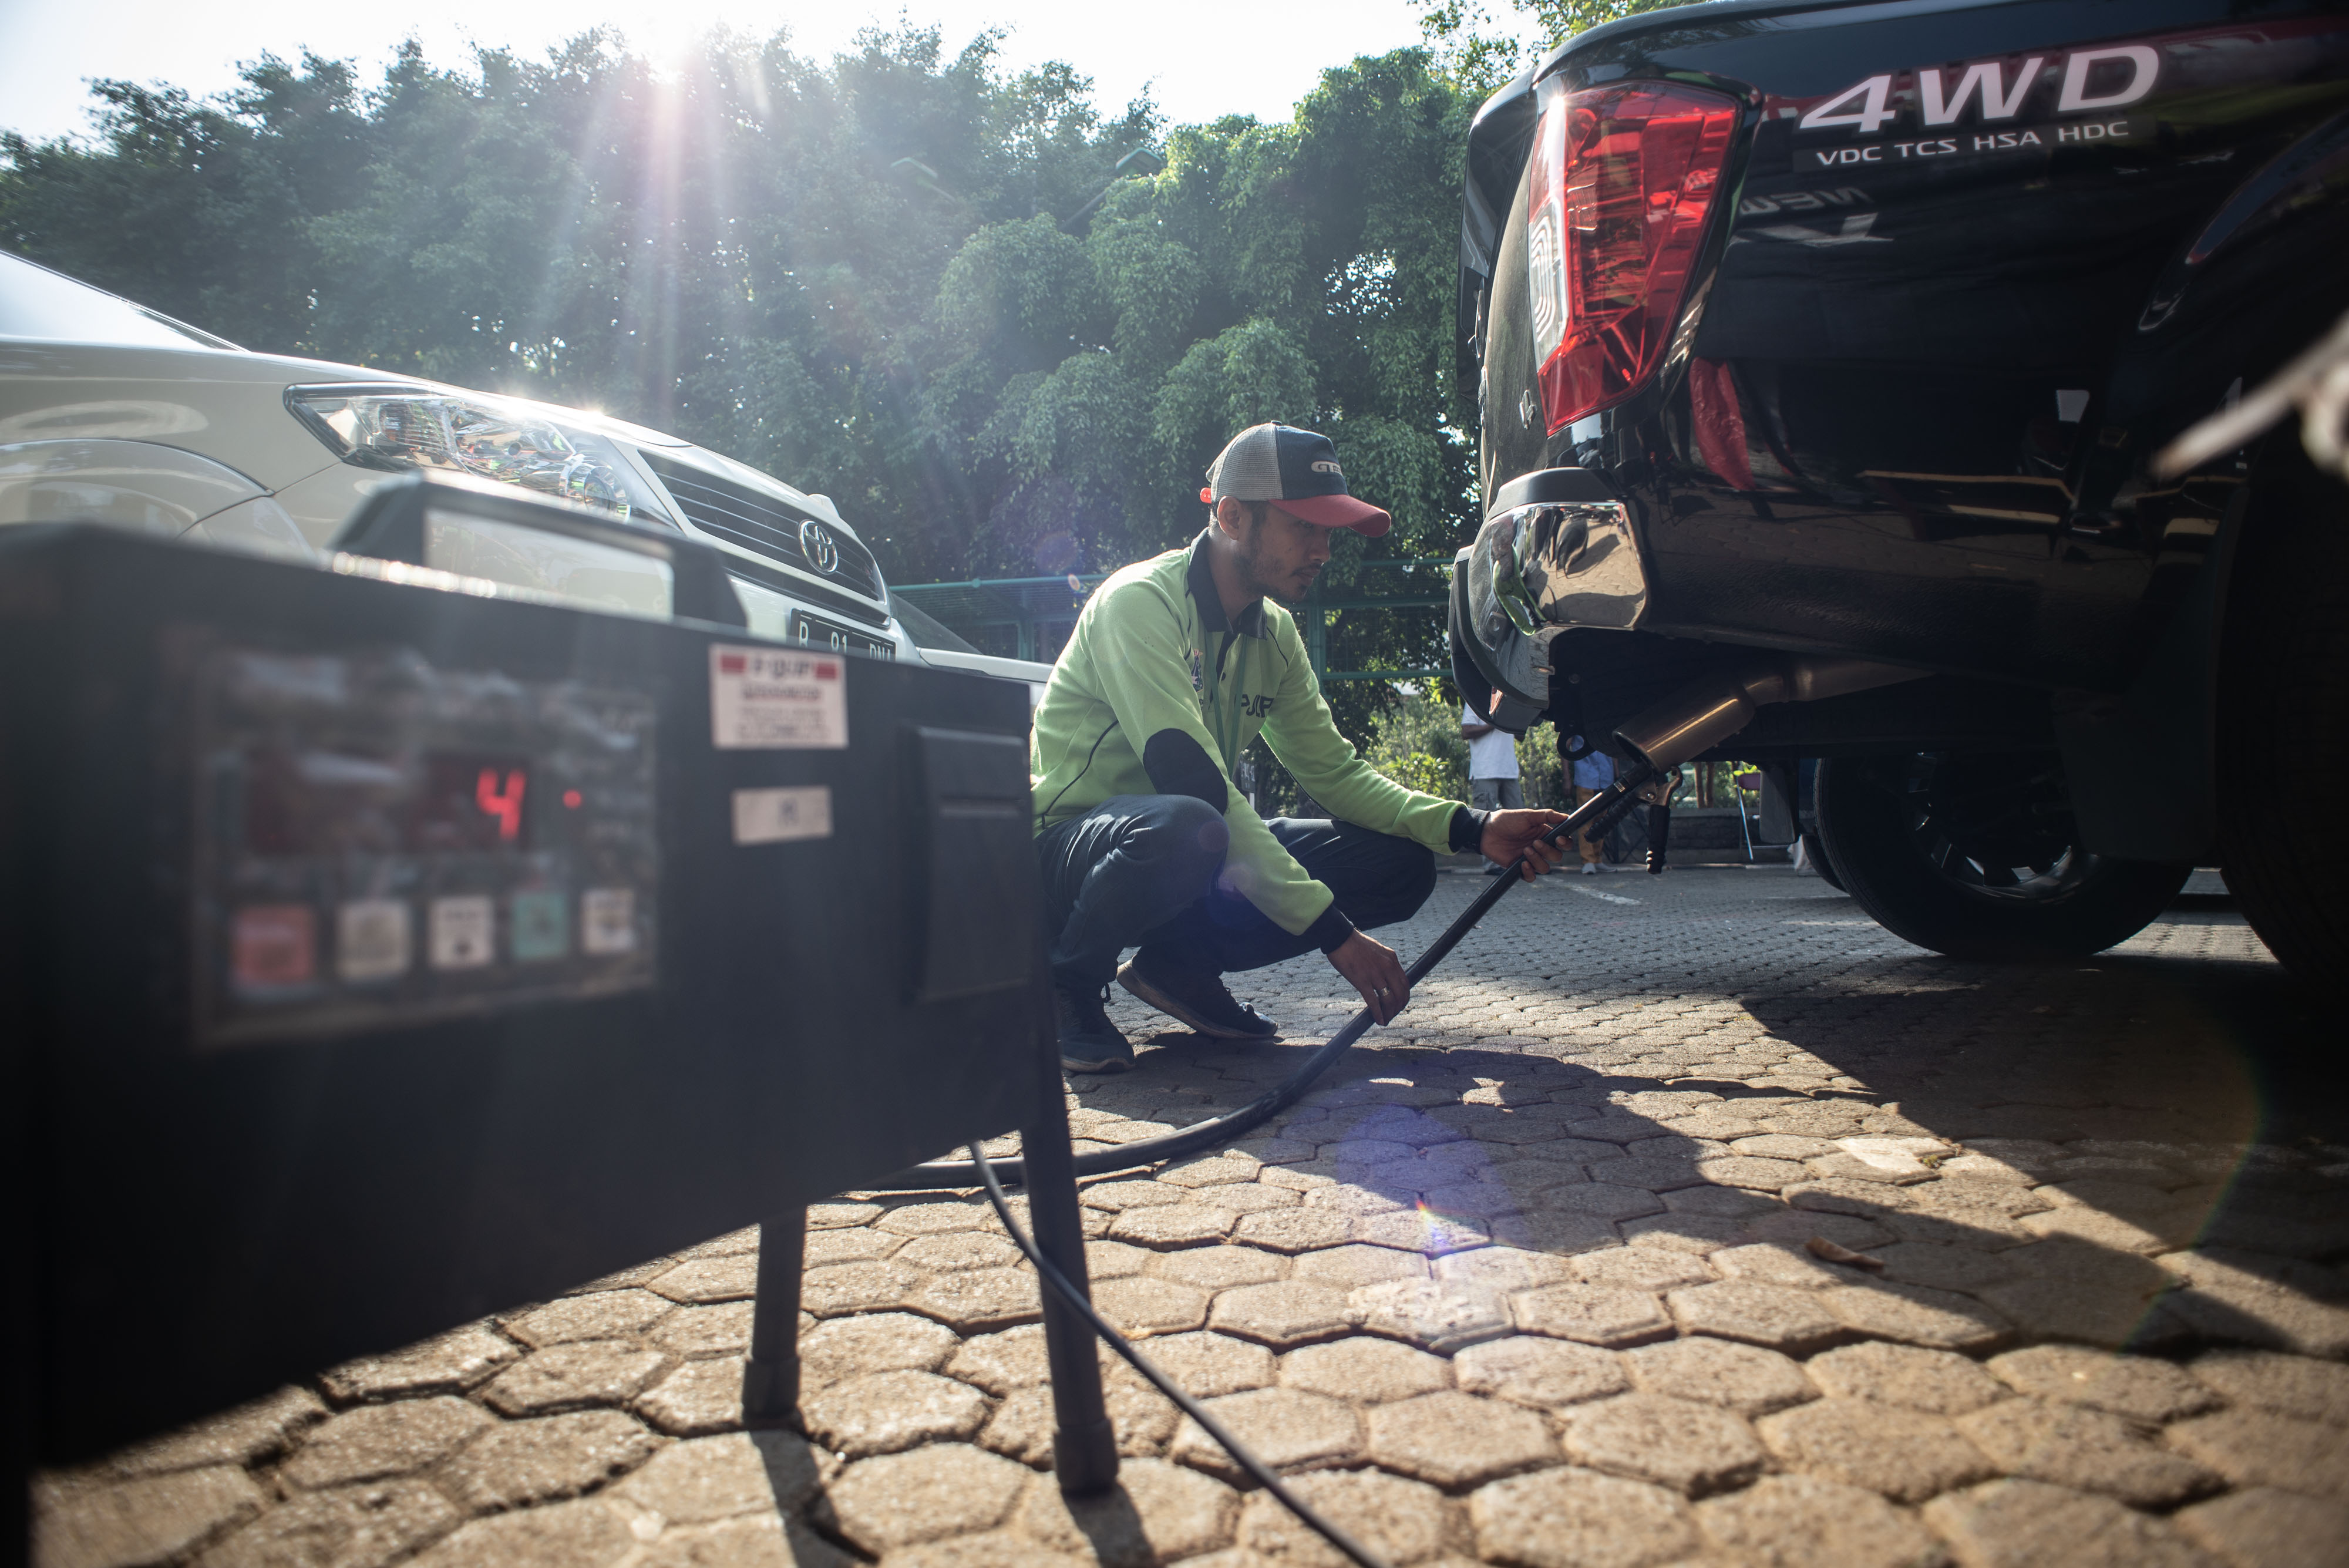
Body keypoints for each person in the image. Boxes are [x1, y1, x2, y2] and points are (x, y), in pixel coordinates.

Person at [1031, 422, 1570, 1072]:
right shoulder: (1138, 603)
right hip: (1067, 855)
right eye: (1304, 527)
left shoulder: (1274, 634)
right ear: (1232, 516)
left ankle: (1178, 967)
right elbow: (1191, 779)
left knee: (1399, 864)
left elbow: (1336, 775)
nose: (1323, 550)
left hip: (1186, 842)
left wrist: (1472, 827)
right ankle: (1064, 985)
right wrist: (1333, 933)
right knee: (1191, 824)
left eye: (1329, 531)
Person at [1460, 704, 1523, 876]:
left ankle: (1522, 862)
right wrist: (1494, 724)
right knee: (1486, 820)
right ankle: (1491, 865)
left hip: (1509, 770)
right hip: (1485, 771)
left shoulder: (1510, 703)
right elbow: (1466, 731)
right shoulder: (1476, 701)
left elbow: (1521, 736)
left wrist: (1514, 723)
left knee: (1519, 819)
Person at [1567, 739, 1617, 875]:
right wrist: (1567, 777)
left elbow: (1614, 749)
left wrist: (1616, 774)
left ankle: (1597, 859)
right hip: (1586, 776)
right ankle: (1587, 861)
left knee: (1603, 821)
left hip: (1606, 776)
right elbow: (1564, 746)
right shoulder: (1575, 726)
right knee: (1585, 819)